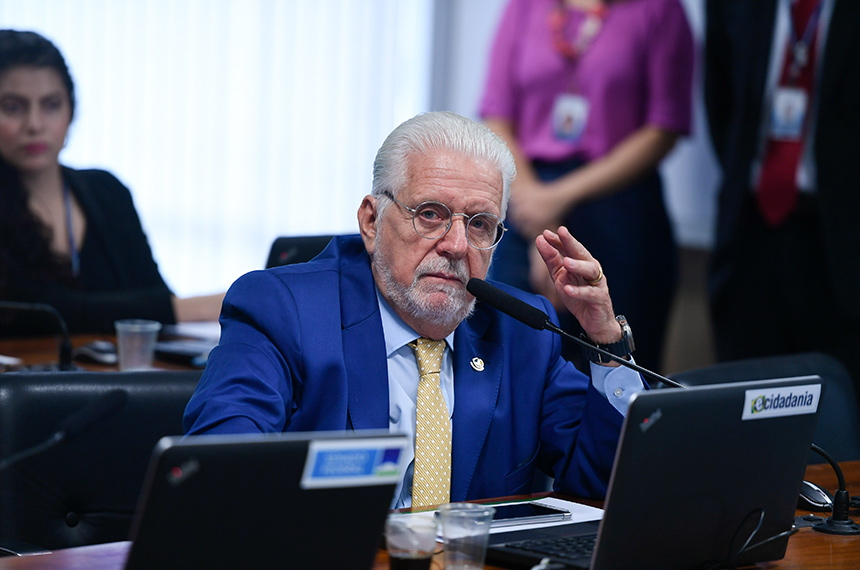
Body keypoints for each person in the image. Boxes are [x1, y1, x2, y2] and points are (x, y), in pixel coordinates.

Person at [184, 111, 647, 508]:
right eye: (430, 214)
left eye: (480, 224)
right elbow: (221, 475)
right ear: (371, 221)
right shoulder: (284, 311)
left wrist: (606, 342)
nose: (456, 245)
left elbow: (603, 483)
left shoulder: (523, 329)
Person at [479, 0, 693, 373]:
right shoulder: (526, 7)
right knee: (516, 363)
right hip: (525, 194)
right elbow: (497, 114)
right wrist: (536, 210)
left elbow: (664, 127)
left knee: (617, 364)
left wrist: (557, 198)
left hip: (618, 207)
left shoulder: (659, 10)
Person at [0, 30, 223, 334]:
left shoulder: (106, 191)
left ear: (71, 112)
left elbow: (153, 293)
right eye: (13, 108)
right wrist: (187, 308)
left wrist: (171, 309)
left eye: (51, 105)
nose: (35, 124)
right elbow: (45, 312)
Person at [704, 0, 860, 405]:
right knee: (742, 406)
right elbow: (720, 102)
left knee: (836, 412)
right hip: (749, 231)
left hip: (840, 246)